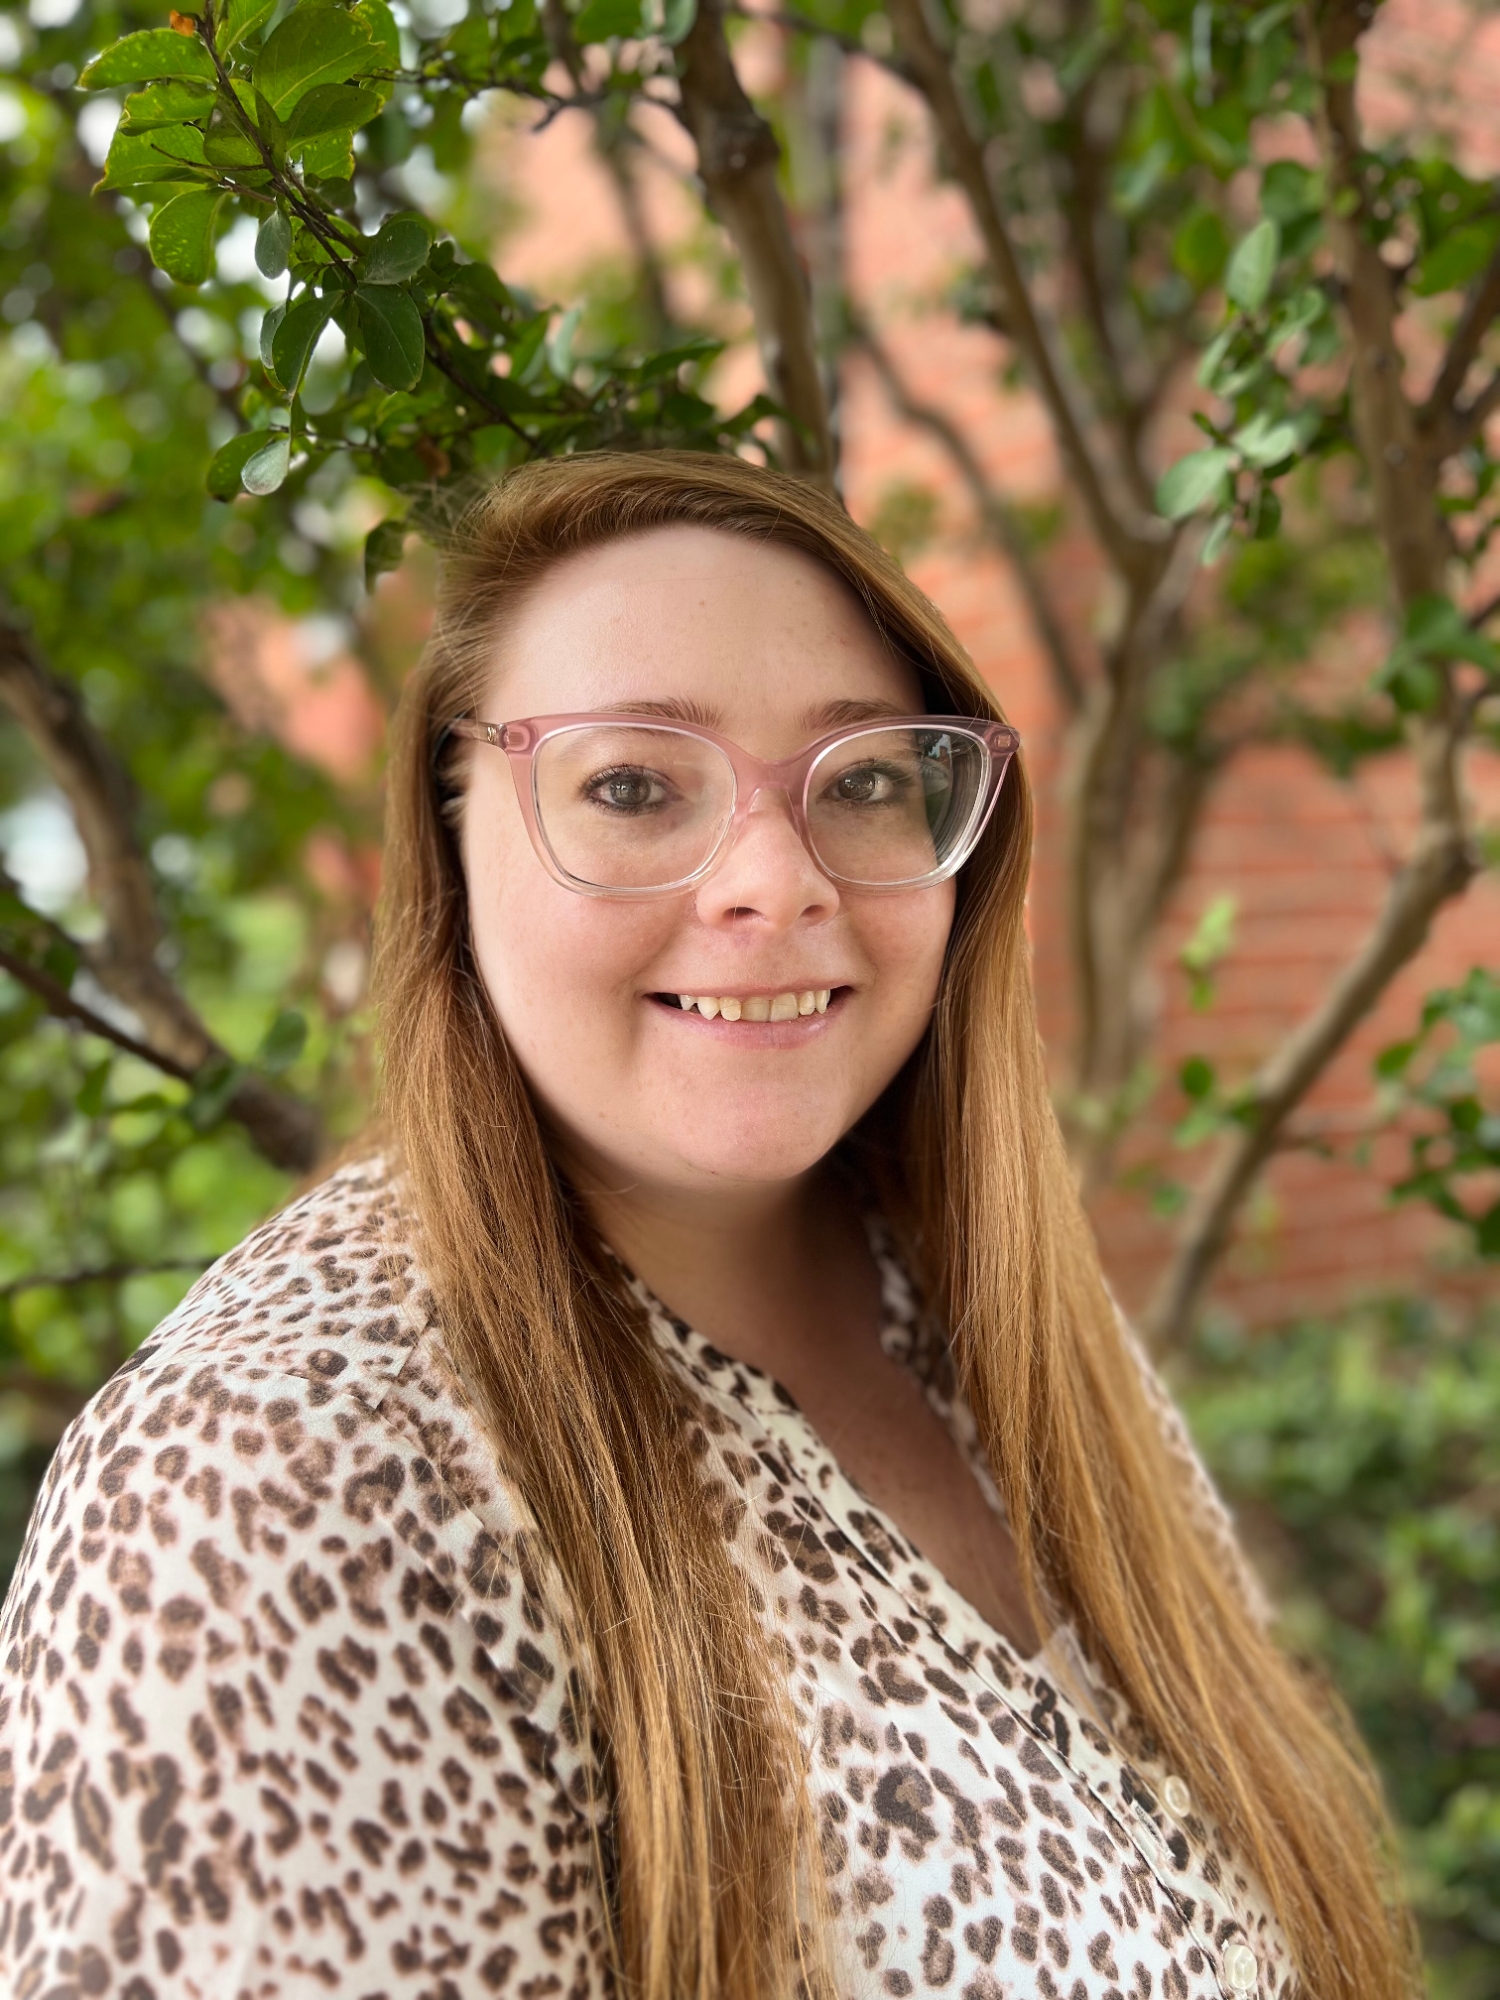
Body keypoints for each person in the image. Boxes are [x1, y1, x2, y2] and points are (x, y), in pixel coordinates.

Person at [0, 453, 1415, 2000]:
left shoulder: (980, 1301)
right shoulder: (266, 1486)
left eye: (864, 779)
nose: (771, 883)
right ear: (451, 843)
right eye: (630, 785)